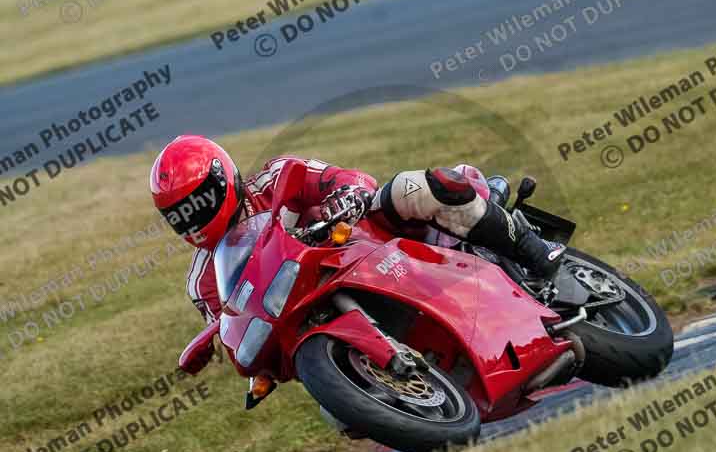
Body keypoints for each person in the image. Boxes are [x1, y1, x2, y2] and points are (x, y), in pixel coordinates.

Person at [150, 134, 565, 346]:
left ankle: (531, 249)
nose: (194, 217)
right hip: (322, 312)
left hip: (372, 243)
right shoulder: (203, 283)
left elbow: (344, 178)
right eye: (180, 213)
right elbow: (238, 329)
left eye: (199, 201)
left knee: (413, 188)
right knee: (338, 418)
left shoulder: (278, 178)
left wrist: (346, 195)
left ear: (223, 178)